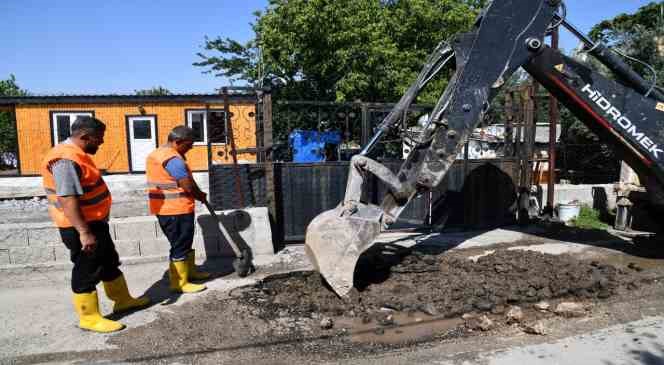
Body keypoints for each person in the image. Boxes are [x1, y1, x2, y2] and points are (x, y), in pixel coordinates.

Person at [41, 116, 149, 333]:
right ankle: (89, 318)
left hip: (94, 223)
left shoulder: (77, 154)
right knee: (87, 270)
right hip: (80, 226)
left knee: (108, 261)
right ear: (84, 136)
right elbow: (67, 199)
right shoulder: (65, 159)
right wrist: (84, 232)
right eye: (98, 139)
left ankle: (122, 300)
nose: (101, 143)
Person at [145, 126, 210, 294]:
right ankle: (179, 283)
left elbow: (185, 180)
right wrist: (199, 195)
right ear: (177, 142)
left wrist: (198, 194)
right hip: (174, 210)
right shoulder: (172, 158)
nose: (191, 147)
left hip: (171, 209)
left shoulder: (160, 153)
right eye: (189, 144)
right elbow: (186, 184)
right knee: (180, 245)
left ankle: (190, 273)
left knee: (184, 242)